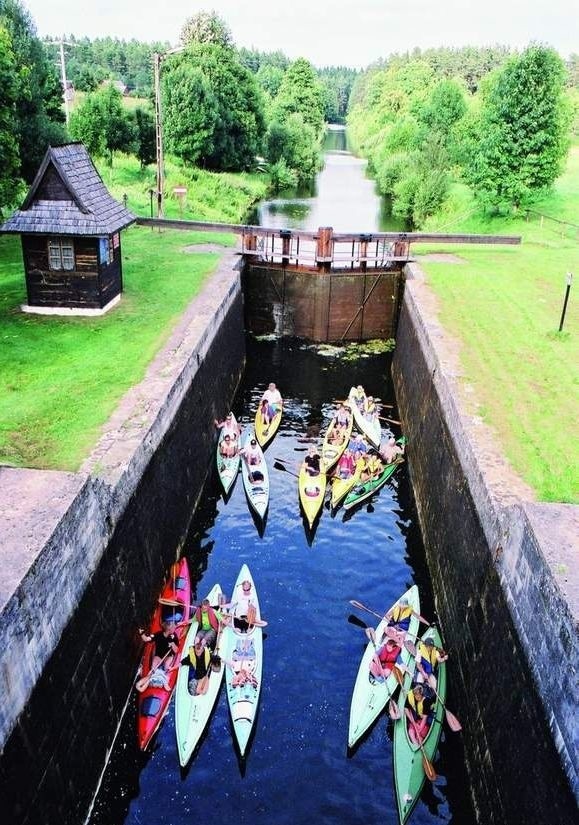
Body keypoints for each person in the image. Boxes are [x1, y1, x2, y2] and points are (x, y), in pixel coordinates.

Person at [139, 620, 179, 690]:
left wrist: (172, 644)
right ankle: (148, 680)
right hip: (158, 656)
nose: (175, 627)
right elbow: (146, 639)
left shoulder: (174, 636)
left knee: (167, 666)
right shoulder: (158, 634)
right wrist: (142, 633)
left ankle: (165, 681)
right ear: (168, 629)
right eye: (173, 627)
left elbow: (176, 650)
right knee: (153, 667)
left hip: (168, 656)